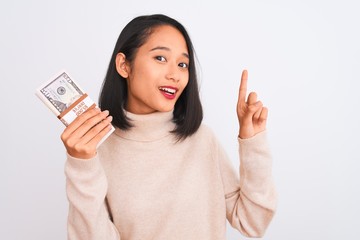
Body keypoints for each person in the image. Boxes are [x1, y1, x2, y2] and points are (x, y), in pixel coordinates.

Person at [61, 14, 277, 240]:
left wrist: (253, 144)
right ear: (124, 65)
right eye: (160, 58)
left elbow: (253, 222)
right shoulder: (98, 150)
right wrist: (81, 165)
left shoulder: (202, 140)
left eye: (182, 64)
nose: (175, 75)